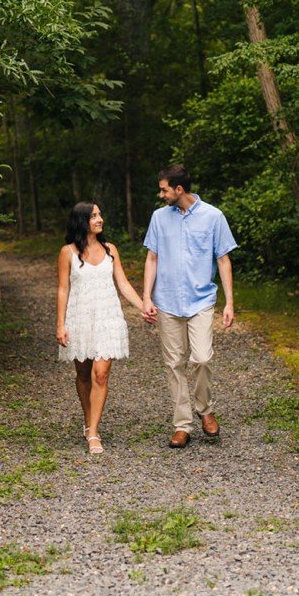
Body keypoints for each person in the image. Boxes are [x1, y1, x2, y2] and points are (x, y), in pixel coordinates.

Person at [140, 164, 237, 448]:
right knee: (174, 364)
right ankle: (182, 424)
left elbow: (223, 260)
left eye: (164, 189)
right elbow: (152, 259)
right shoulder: (159, 218)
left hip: (201, 300)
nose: (161, 194)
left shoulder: (213, 217)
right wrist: (146, 297)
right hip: (167, 301)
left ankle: (205, 409)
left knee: (202, 358)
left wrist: (229, 302)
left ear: (178, 189)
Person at [56, 201, 150, 454]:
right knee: (84, 374)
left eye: (100, 214)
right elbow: (63, 289)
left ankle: (94, 433)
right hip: (80, 319)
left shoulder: (111, 250)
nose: (100, 219)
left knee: (101, 374)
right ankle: (88, 422)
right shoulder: (68, 252)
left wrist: (143, 306)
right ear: (81, 221)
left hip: (108, 319)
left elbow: (123, 283)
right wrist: (60, 324)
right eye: (94, 216)